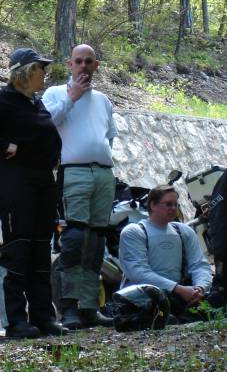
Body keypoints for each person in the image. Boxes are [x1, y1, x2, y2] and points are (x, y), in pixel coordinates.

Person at [0, 48, 69, 339]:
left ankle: (44, 318)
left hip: (43, 183)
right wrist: (3, 145)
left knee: (39, 251)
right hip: (17, 182)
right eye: (40, 68)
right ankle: (15, 322)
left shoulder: (35, 102)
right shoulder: (1, 99)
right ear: (25, 71)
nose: (44, 73)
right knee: (18, 250)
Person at [42, 44, 117, 330]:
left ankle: (89, 307)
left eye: (89, 62)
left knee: (96, 241)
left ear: (96, 65)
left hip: (103, 173)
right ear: (69, 64)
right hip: (73, 173)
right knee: (74, 240)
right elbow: (46, 124)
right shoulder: (55, 93)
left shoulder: (103, 100)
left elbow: (109, 136)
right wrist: (72, 97)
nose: (83, 66)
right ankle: (69, 307)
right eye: (78, 61)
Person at [118, 185, 212, 319]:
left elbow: (199, 265)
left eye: (175, 204)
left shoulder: (184, 231)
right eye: (168, 204)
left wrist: (199, 288)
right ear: (152, 205)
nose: (173, 208)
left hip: (179, 294)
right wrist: (179, 289)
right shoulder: (134, 231)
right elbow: (138, 272)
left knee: (218, 299)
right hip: (143, 297)